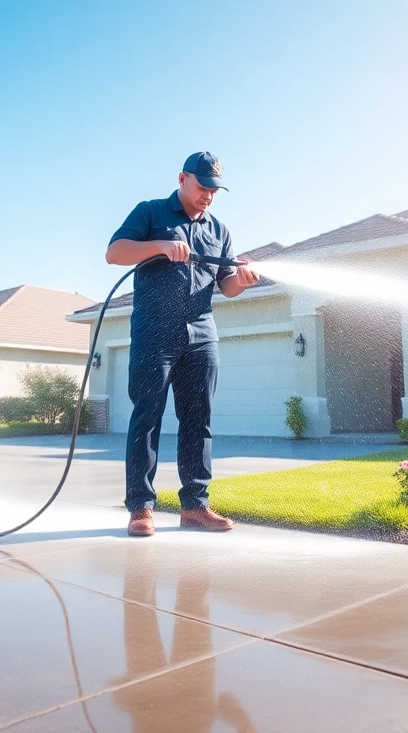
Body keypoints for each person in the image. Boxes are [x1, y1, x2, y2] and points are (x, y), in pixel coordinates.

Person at [105, 151, 261, 537]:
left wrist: (241, 281)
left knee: (198, 420)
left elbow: (226, 285)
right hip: (154, 330)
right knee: (147, 418)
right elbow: (114, 253)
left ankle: (195, 505)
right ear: (182, 178)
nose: (209, 194)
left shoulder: (219, 230)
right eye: (203, 185)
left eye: (215, 189)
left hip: (201, 332)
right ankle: (140, 507)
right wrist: (159, 246)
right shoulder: (151, 212)